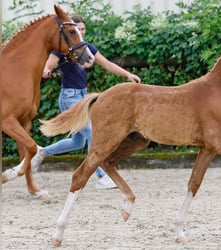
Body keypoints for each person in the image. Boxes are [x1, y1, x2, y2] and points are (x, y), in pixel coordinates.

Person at [34, 15, 141, 189]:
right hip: (69, 97)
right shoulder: (61, 50)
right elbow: (48, 66)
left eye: (83, 29)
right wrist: (46, 70)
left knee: (78, 142)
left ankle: (42, 152)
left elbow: (106, 64)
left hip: (83, 98)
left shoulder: (86, 48)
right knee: (93, 133)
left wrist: (127, 75)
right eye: (78, 29)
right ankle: (102, 176)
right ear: (72, 30)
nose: (81, 32)